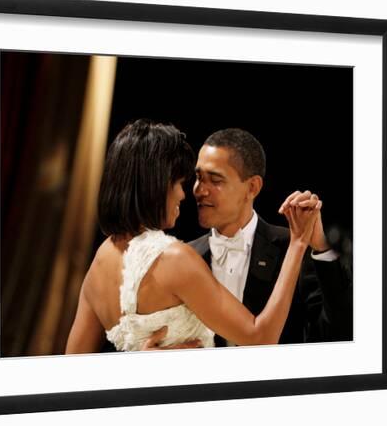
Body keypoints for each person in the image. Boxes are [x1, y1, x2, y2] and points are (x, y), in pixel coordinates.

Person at [66, 120, 322, 353]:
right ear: (155, 185)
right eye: (179, 182)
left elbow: (74, 369)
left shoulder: (100, 260)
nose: (185, 194)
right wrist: (299, 242)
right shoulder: (175, 258)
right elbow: (261, 337)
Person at [144, 128, 352, 349]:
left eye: (214, 180)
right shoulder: (183, 257)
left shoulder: (293, 248)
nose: (199, 190)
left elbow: (337, 332)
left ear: (252, 187)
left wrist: (320, 248)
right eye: (198, 177)